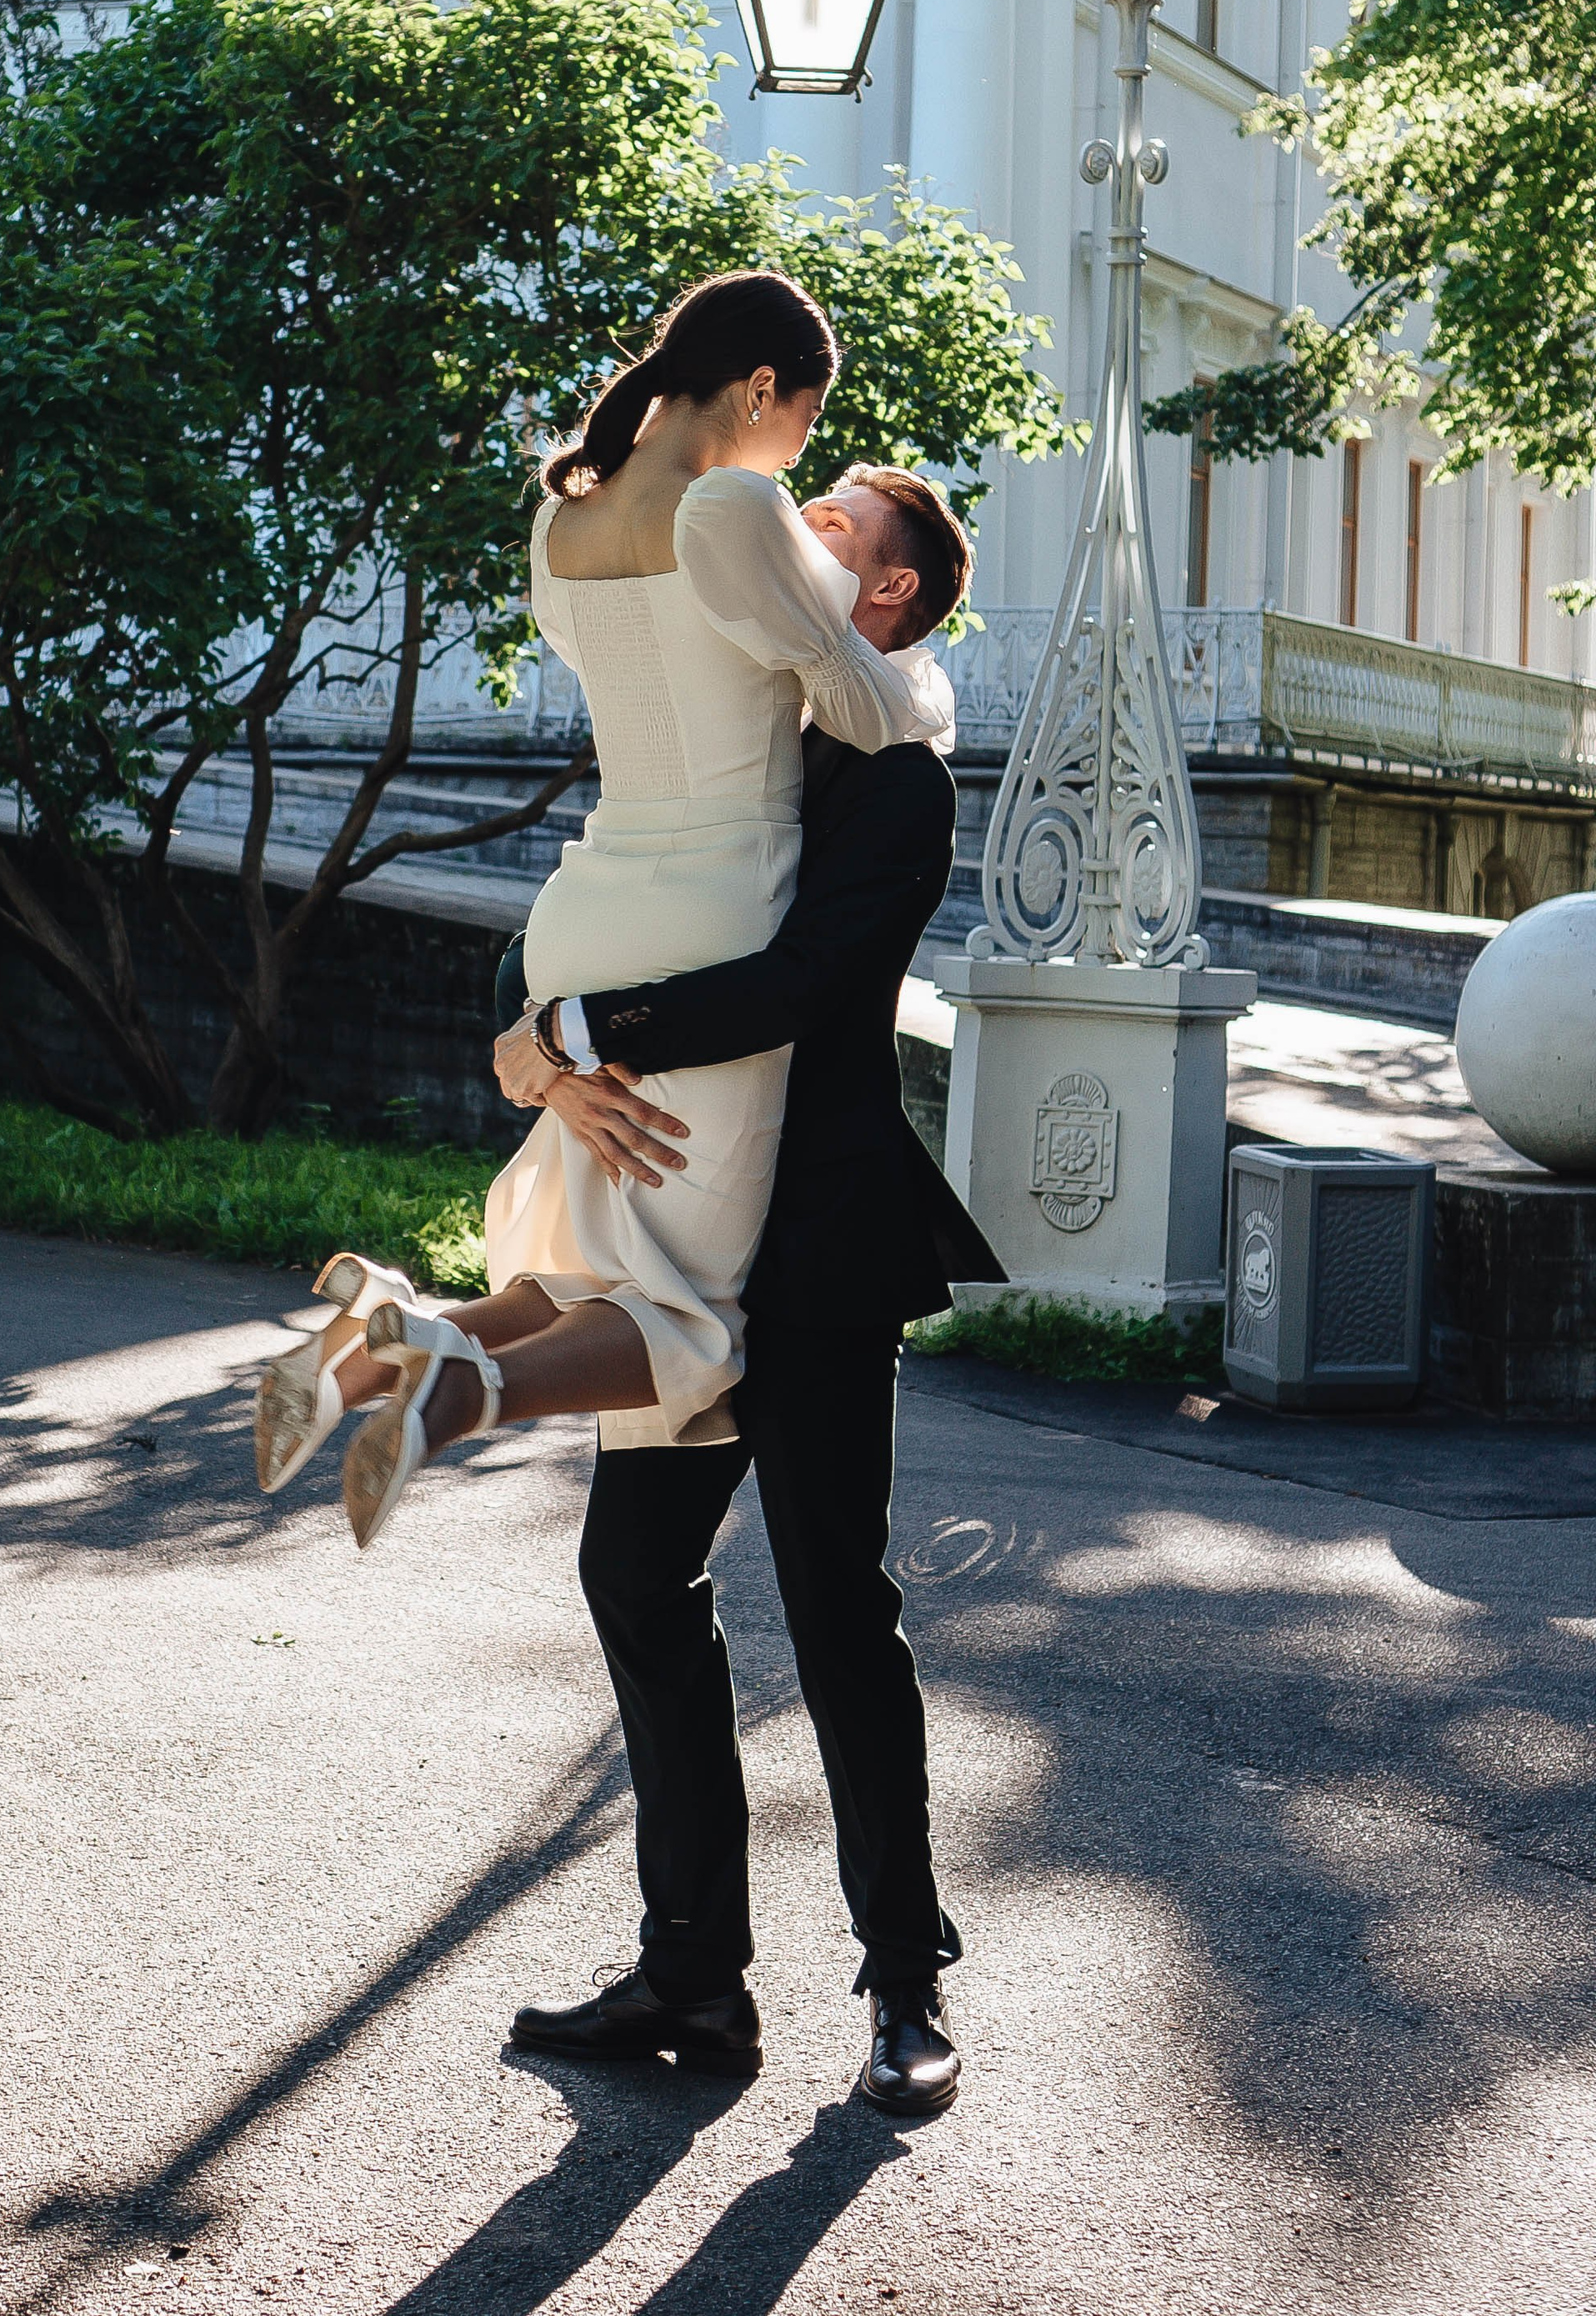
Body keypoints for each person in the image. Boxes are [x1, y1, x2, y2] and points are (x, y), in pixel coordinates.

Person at [251, 272, 955, 1558]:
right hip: (710, 909)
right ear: (758, 391)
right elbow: (859, 710)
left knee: (596, 1265)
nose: (801, 459)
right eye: (806, 418)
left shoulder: (559, 520)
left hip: (590, 897)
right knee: (684, 1310)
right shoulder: (738, 507)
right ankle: (463, 1388)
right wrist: (896, 681)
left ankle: (373, 1351)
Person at [493, 464, 1008, 2113]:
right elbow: (621, 895)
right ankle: (691, 1981)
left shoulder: (899, 782)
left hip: (818, 1248)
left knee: (835, 1609)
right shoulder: (728, 733)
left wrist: (592, 1032)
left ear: (884, 599)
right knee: (635, 1576)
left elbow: (794, 986)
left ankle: (905, 1988)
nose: (806, 523)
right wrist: (536, 1044)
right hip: (668, 1235)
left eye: (842, 524)